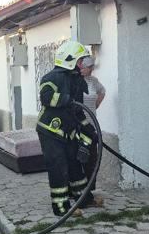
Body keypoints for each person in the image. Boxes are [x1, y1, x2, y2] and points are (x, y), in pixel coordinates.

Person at [36, 40, 97, 216]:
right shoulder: (51, 78)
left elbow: (78, 110)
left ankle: (83, 198)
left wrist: (89, 131)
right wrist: (66, 99)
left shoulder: (77, 80)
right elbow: (46, 97)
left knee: (75, 163)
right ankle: (61, 207)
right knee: (58, 167)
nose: (82, 64)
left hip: (68, 132)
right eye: (79, 60)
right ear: (69, 60)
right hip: (50, 132)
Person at [79, 56, 105, 204]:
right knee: (80, 156)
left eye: (86, 67)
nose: (83, 69)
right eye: (81, 66)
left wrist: (95, 106)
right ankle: (78, 189)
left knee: (92, 157)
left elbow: (102, 92)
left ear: (91, 68)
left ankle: (89, 188)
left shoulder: (94, 81)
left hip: (92, 125)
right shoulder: (76, 81)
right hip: (79, 125)